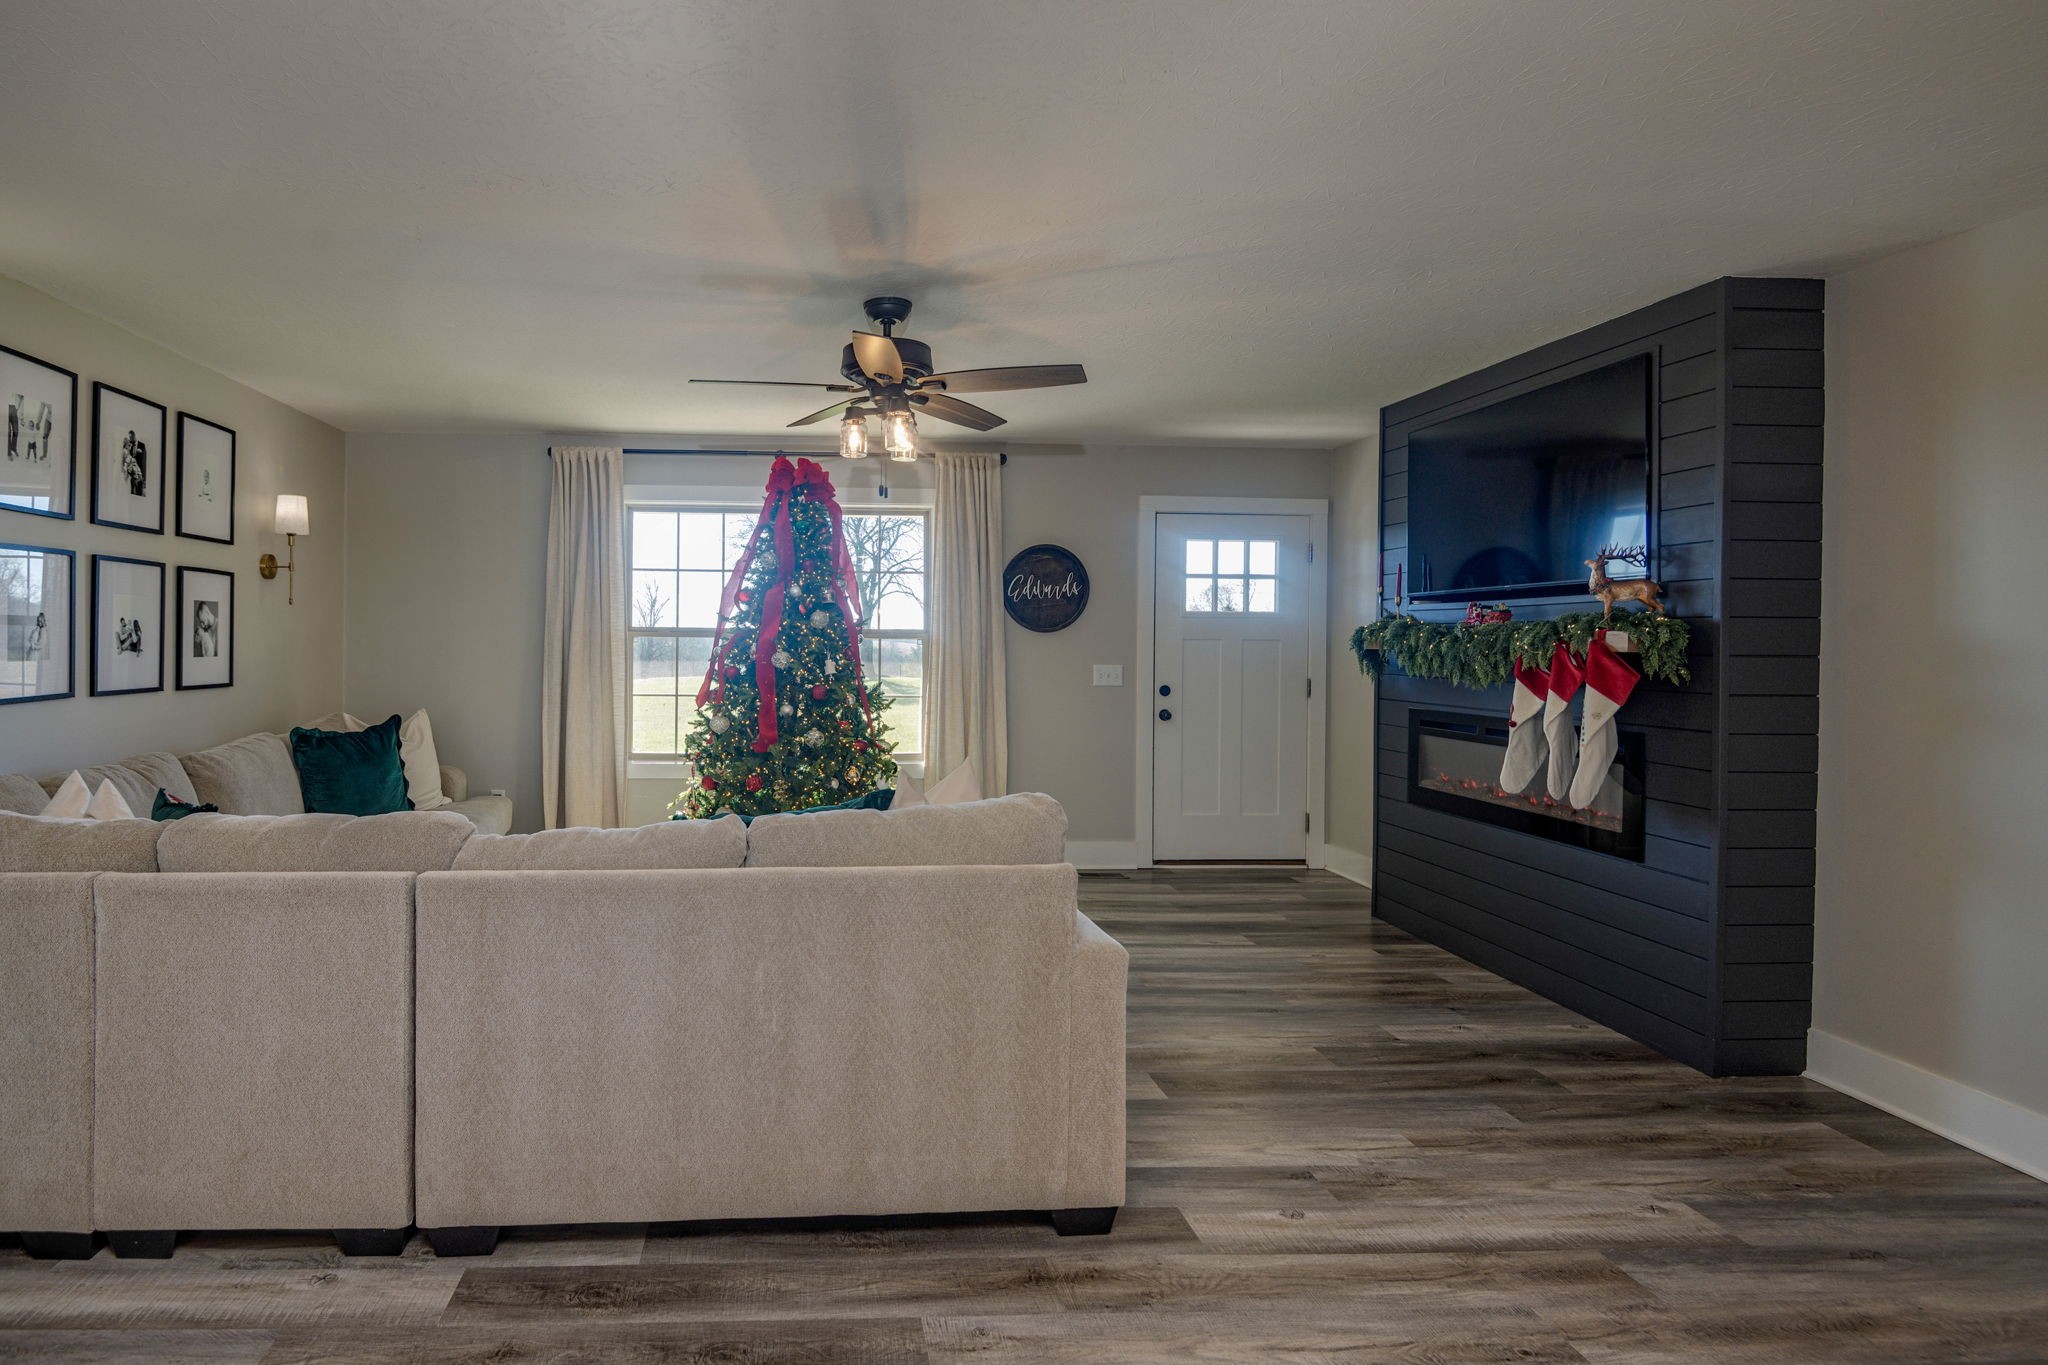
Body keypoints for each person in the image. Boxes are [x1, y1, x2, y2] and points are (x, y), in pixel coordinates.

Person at [121, 430, 147, 496]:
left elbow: (144, 462)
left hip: (138, 470)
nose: (130, 439)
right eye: (129, 437)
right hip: (131, 471)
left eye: (131, 437)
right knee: (131, 490)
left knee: (139, 490)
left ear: (134, 436)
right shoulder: (129, 446)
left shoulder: (142, 445)